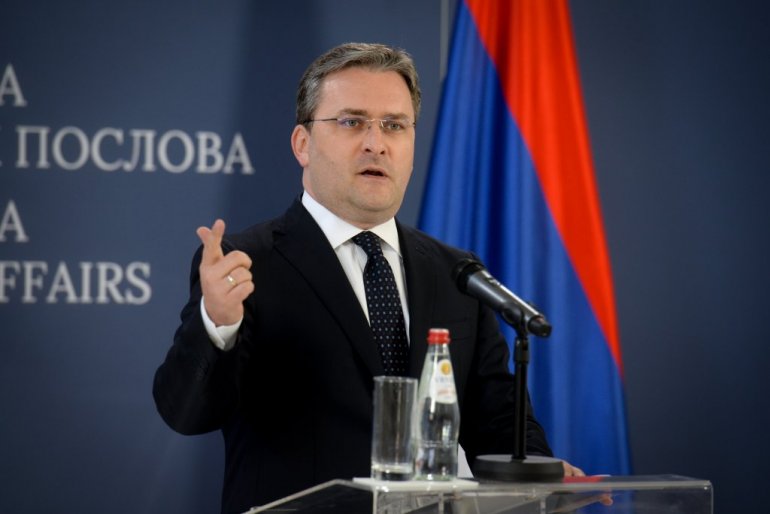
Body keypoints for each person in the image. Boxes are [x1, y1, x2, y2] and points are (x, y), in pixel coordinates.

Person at [153, 42, 582, 514]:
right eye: (352, 122)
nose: (376, 143)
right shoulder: (247, 264)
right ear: (302, 144)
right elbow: (186, 413)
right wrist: (218, 325)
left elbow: (497, 420)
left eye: (394, 125)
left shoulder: (456, 273)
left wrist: (540, 474)